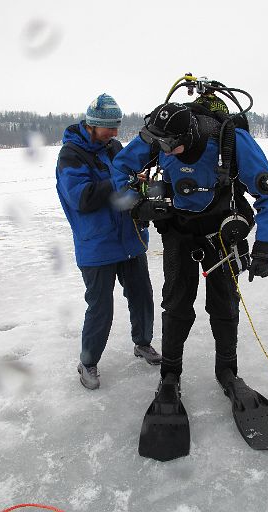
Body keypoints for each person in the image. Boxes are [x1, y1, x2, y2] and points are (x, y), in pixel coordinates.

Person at [110, 98, 268, 458]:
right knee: (176, 304)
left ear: (188, 136)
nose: (162, 151)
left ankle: (228, 372)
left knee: (223, 304)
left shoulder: (230, 140)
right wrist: (137, 199)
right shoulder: (158, 135)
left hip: (222, 234)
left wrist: (267, 245)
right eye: (157, 145)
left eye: (169, 146)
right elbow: (121, 167)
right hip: (178, 233)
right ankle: (170, 376)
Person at [55, 93, 161, 391]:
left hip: (129, 239)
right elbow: (82, 198)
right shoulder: (70, 155)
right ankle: (87, 362)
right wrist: (121, 181)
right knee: (101, 308)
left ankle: (143, 344)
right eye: (109, 127)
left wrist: (139, 184)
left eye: (116, 127)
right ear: (92, 125)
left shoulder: (114, 147)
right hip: (97, 245)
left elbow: (125, 185)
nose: (115, 133)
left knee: (142, 295)